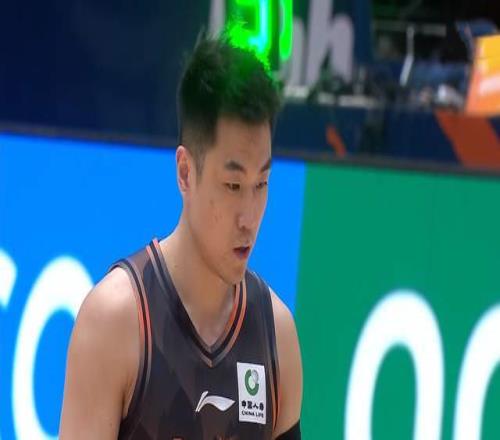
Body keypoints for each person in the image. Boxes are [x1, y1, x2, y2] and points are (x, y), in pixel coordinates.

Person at [59, 34, 303, 440]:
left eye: (261, 184)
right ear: (186, 172)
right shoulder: (115, 323)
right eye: (232, 185)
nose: (249, 217)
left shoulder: (277, 337)